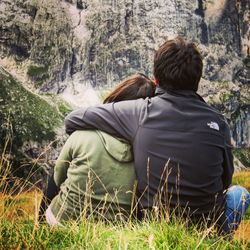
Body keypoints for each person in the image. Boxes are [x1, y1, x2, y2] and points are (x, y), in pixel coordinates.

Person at [64, 36, 250, 234]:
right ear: (197, 79)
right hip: (208, 227)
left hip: (154, 227)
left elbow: (73, 119)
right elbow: (225, 182)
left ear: (155, 79)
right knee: (239, 194)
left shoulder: (139, 112)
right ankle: (219, 242)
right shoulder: (219, 122)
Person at [41, 74, 155, 225]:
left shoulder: (81, 135)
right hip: (118, 234)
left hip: (61, 223)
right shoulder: (148, 150)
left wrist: (41, 219)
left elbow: (57, 179)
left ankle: (39, 224)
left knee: (56, 174)